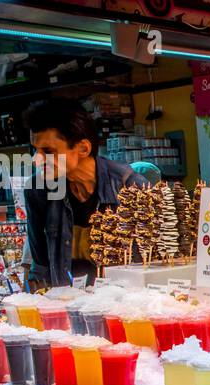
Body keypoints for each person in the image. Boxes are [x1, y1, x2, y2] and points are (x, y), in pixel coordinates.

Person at [23, 97, 145, 287]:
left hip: (122, 304)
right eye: (35, 150)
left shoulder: (129, 187)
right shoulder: (38, 190)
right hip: (65, 302)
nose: (36, 160)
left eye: (47, 151)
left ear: (83, 148)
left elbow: (151, 264)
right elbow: (40, 267)